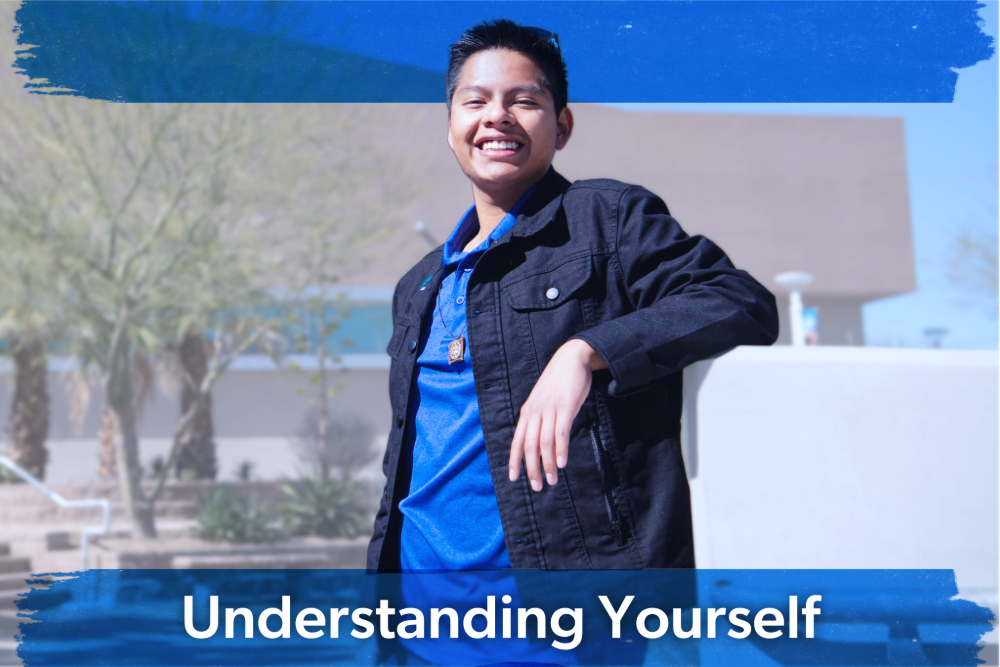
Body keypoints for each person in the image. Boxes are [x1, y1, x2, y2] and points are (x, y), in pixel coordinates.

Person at [367, 19, 779, 572]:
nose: (497, 116)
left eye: (523, 101)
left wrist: (586, 350)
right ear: (451, 126)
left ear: (561, 126)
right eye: (475, 101)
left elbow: (739, 300)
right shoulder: (418, 286)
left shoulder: (609, 219)